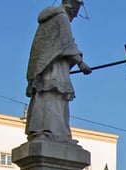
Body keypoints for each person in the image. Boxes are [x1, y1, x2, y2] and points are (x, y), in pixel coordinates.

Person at [25, 0, 91, 143]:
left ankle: (43, 130)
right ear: (71, 7)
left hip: (46, 66)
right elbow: (67, 42)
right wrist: (80, 63)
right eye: (74, 13)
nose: (73, 18)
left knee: (46, 96)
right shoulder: (61, 17)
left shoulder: (48, 19)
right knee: (55, 95)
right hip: (54, 67)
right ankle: (53, 132)